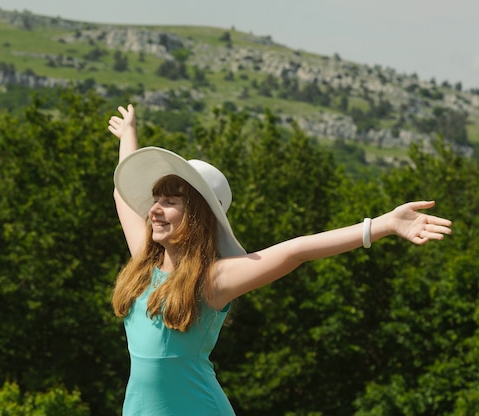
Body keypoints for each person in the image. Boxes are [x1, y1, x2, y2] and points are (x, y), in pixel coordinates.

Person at [108, 104, 452, 416]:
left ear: (197, 216)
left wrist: (383, 225)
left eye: (170, 201)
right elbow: (121, 192)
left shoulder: (212, 281)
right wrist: (129, 135)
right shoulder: (143, 265)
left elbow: (295, 250)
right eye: (155, 198)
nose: (153, 209)